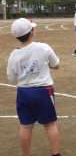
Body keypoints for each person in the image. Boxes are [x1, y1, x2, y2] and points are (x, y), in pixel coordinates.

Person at [7, 18, 61, 156]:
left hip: (23, 92)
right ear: (32, 32)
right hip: (43, 90)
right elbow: (56, 65)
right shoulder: (43, 47)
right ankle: (56, 153)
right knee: (49, 124)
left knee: (25, 126)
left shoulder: (14, 54)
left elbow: (12, 79)